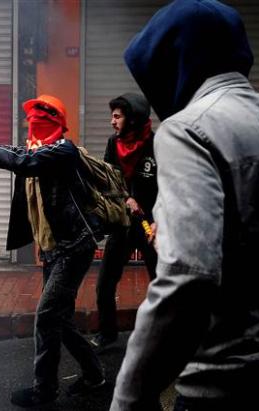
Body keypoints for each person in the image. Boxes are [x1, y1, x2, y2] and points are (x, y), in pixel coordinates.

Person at [110, 1, 259, 410]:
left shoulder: (186, 130)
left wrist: (129, 397)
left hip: (225, 386)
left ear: (173, 62)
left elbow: (188, 277)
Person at [0, 95, 105, 407]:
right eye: (33, 122)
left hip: (75, 248)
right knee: (61, 319)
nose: (33, 127)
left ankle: (44, 391)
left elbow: (22, 163)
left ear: (57, 123)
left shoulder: (63, 151)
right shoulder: (34, 150)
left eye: (41, 121)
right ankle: (95, 375)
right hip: (55, 250)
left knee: (46, 316)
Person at [90, 93, 158, 350]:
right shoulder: (113, 143)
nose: (112, 121)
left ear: (132, 119)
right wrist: (125, 198)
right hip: (123, 224)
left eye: (117, 116)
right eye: (112, 116)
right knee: (105, 282)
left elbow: (168, 184)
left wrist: (157, 217)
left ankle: (160, 333)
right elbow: (108, 180)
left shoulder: (157, 143)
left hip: (150, 225)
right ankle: (107, 332)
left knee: (161, 282)